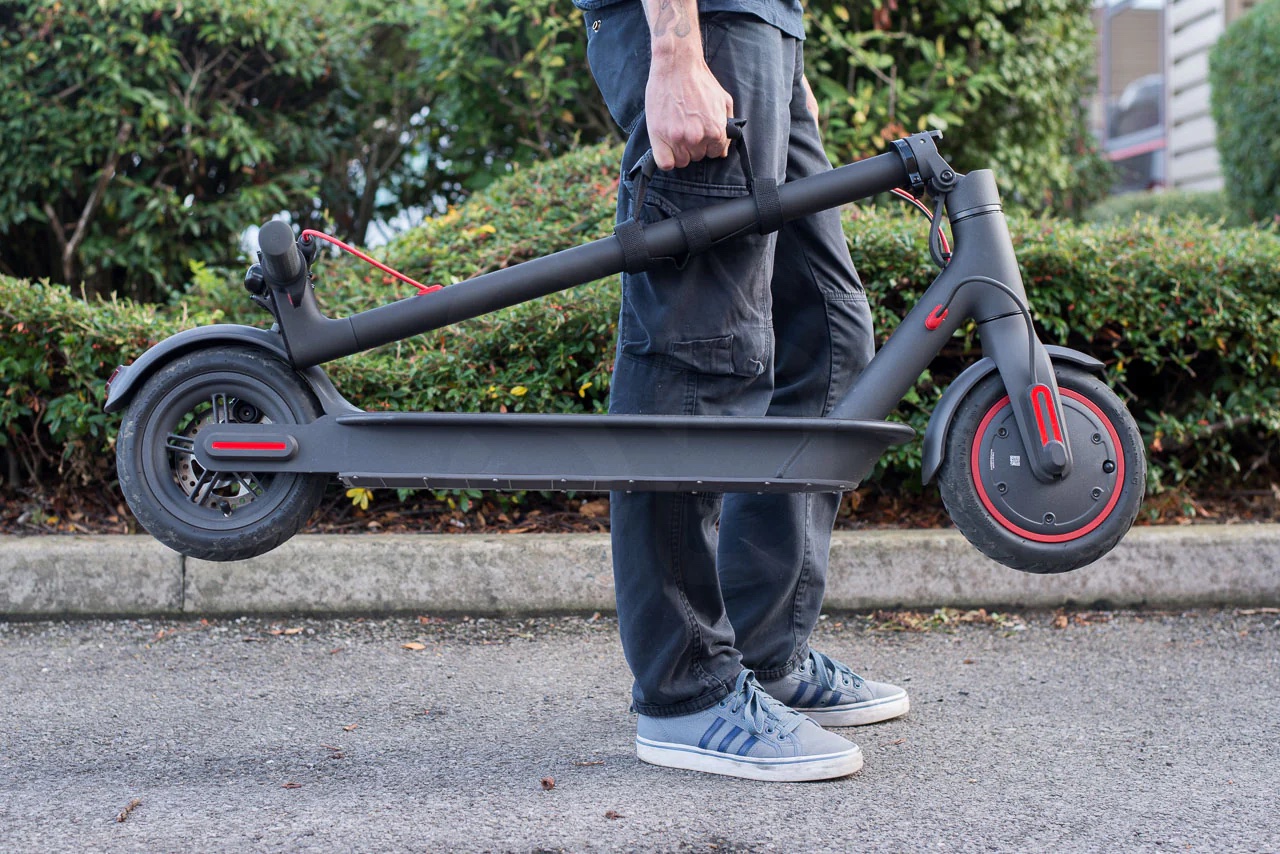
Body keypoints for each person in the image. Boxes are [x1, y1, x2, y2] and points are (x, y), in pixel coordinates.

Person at [575, 0, 909, 781]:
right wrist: (676, 45)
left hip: (759, 31)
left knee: (825, 332)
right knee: (702, 337)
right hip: (702, 22)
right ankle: (686, 689)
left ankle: (765, 650)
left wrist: (788, 50)